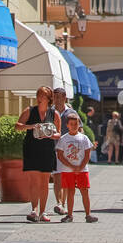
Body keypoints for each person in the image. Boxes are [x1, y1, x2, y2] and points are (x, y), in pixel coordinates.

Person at [16, 84, 61, 222]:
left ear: (49, 99)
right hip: (31, 149)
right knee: (33, 181)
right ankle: (34, 210)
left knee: (44, 182)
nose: (39, 98)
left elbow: (59, 134)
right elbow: (17, 126)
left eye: (42, 95)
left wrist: (50, 136)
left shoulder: (54, 113)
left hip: (47, 150)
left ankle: (43, 212)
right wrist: (31, 126)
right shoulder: (29, 111)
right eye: (38, 95)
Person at [56, 112, 98, 223]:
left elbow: (87, 154)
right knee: (70, 191)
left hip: (82, 170)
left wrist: (81, 166)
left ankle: (88, 214)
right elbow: (60, 155)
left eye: (76, 123)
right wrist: (71, 166)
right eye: (71, 124)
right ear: (67, 125)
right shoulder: (63, 139)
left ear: (79, 124)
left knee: (84, 191)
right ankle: (69, 215)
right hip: (67, 170)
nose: (74, 126)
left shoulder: (84, 138)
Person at [50, 85, 75, 216]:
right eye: (55, 97)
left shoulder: (71, 113)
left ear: (65, 98)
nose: (57, 100)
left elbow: (78, 129)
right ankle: (59, 203)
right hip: (54, 149)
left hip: (68, 150)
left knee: (66, 178)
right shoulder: (49, 112)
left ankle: (64, 204)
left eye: (59, 97)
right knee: (57, 177)